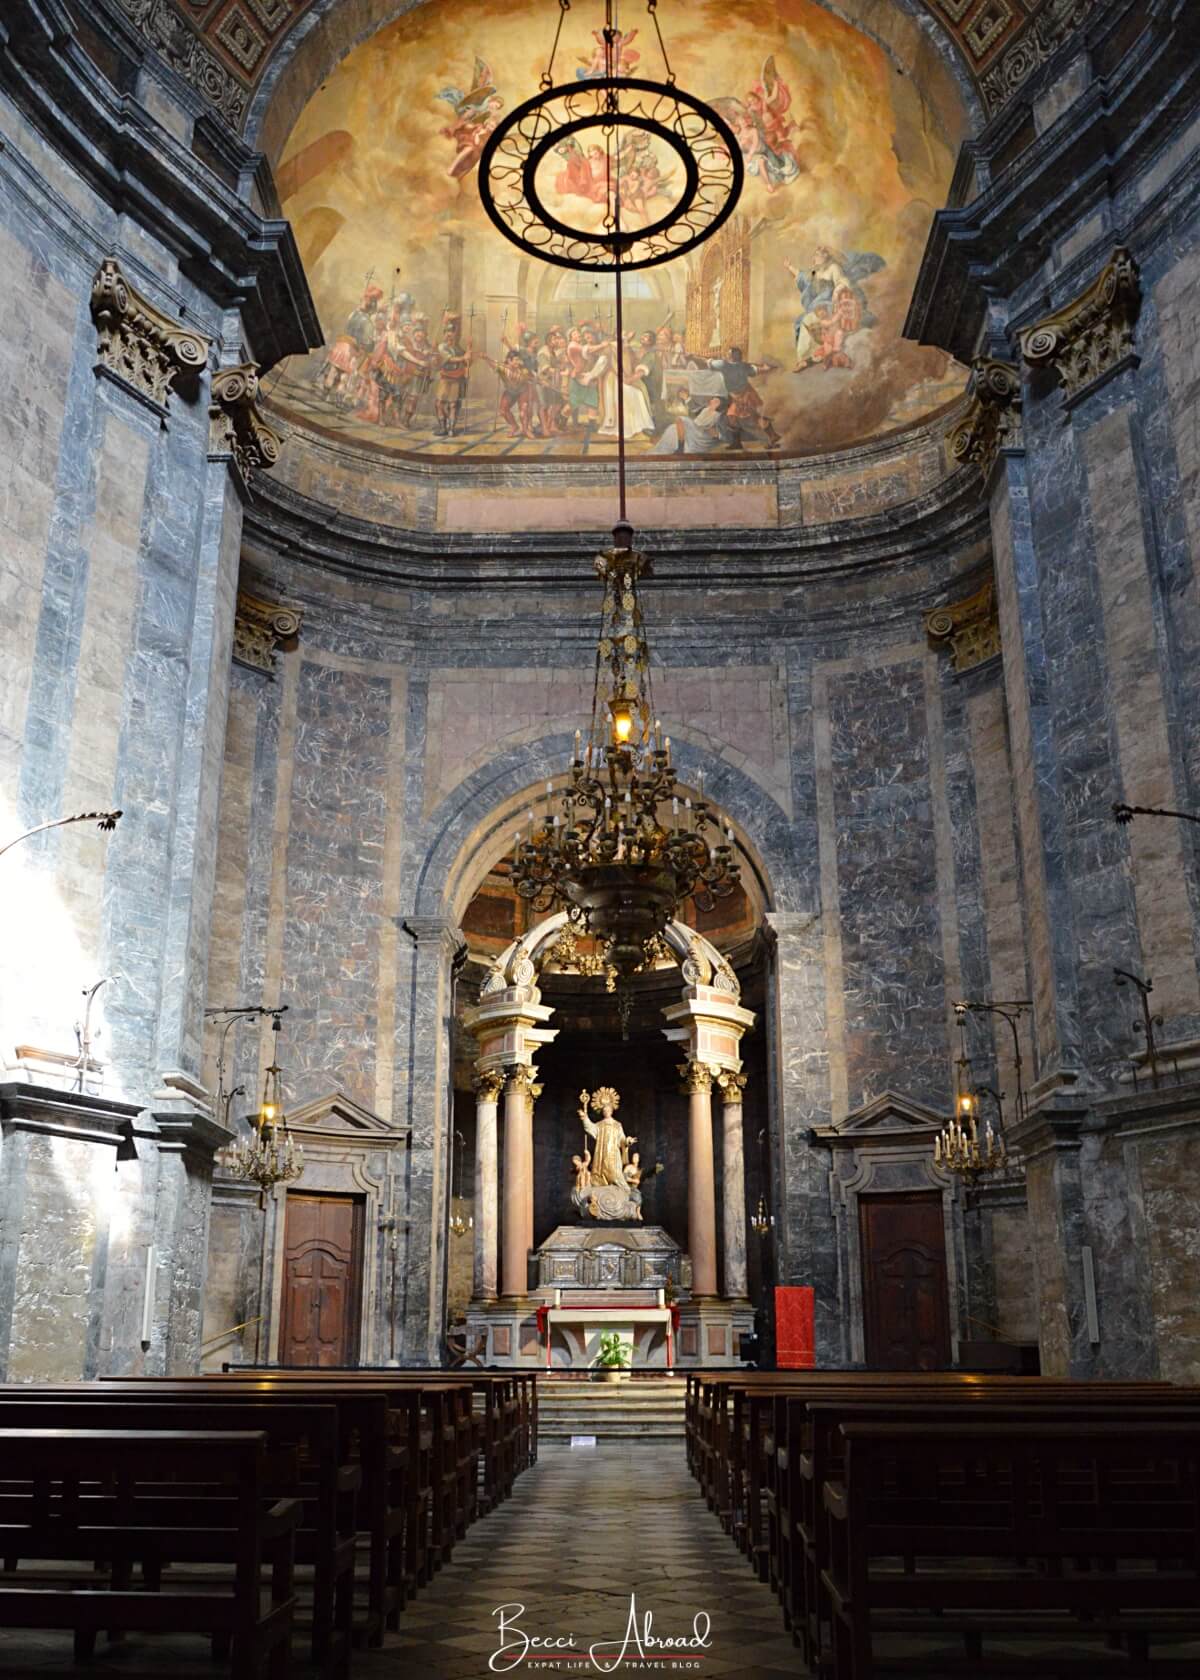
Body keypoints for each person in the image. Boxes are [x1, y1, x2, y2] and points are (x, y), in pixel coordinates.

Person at [578, 1087, 636, 1189]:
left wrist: (628, 1141)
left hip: (613, 1155)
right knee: (599, 1175)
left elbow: (622, 1139)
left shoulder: (617, 1125)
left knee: (615, 1174)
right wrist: (585, 1118)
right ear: (602, 1111)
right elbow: (590, 1128)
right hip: (601, 1153)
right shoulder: (600, 1125)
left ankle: (623, 1190)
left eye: (608, 1109)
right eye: (604, 1110)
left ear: (612, 1110)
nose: (606, 1111)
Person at [434, 312, 471, 437]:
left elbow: (466, 362)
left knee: (453, 405)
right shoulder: (441, 347)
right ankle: (443, 426)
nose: (450, 336)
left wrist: (468, 355)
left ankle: (451, 428)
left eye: (452, 333)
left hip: (456, 379)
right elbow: (450, 359)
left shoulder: (458, 348)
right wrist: (463, 357)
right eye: (447, 333)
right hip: (445, 379)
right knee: (439, 403)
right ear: (444, 334)